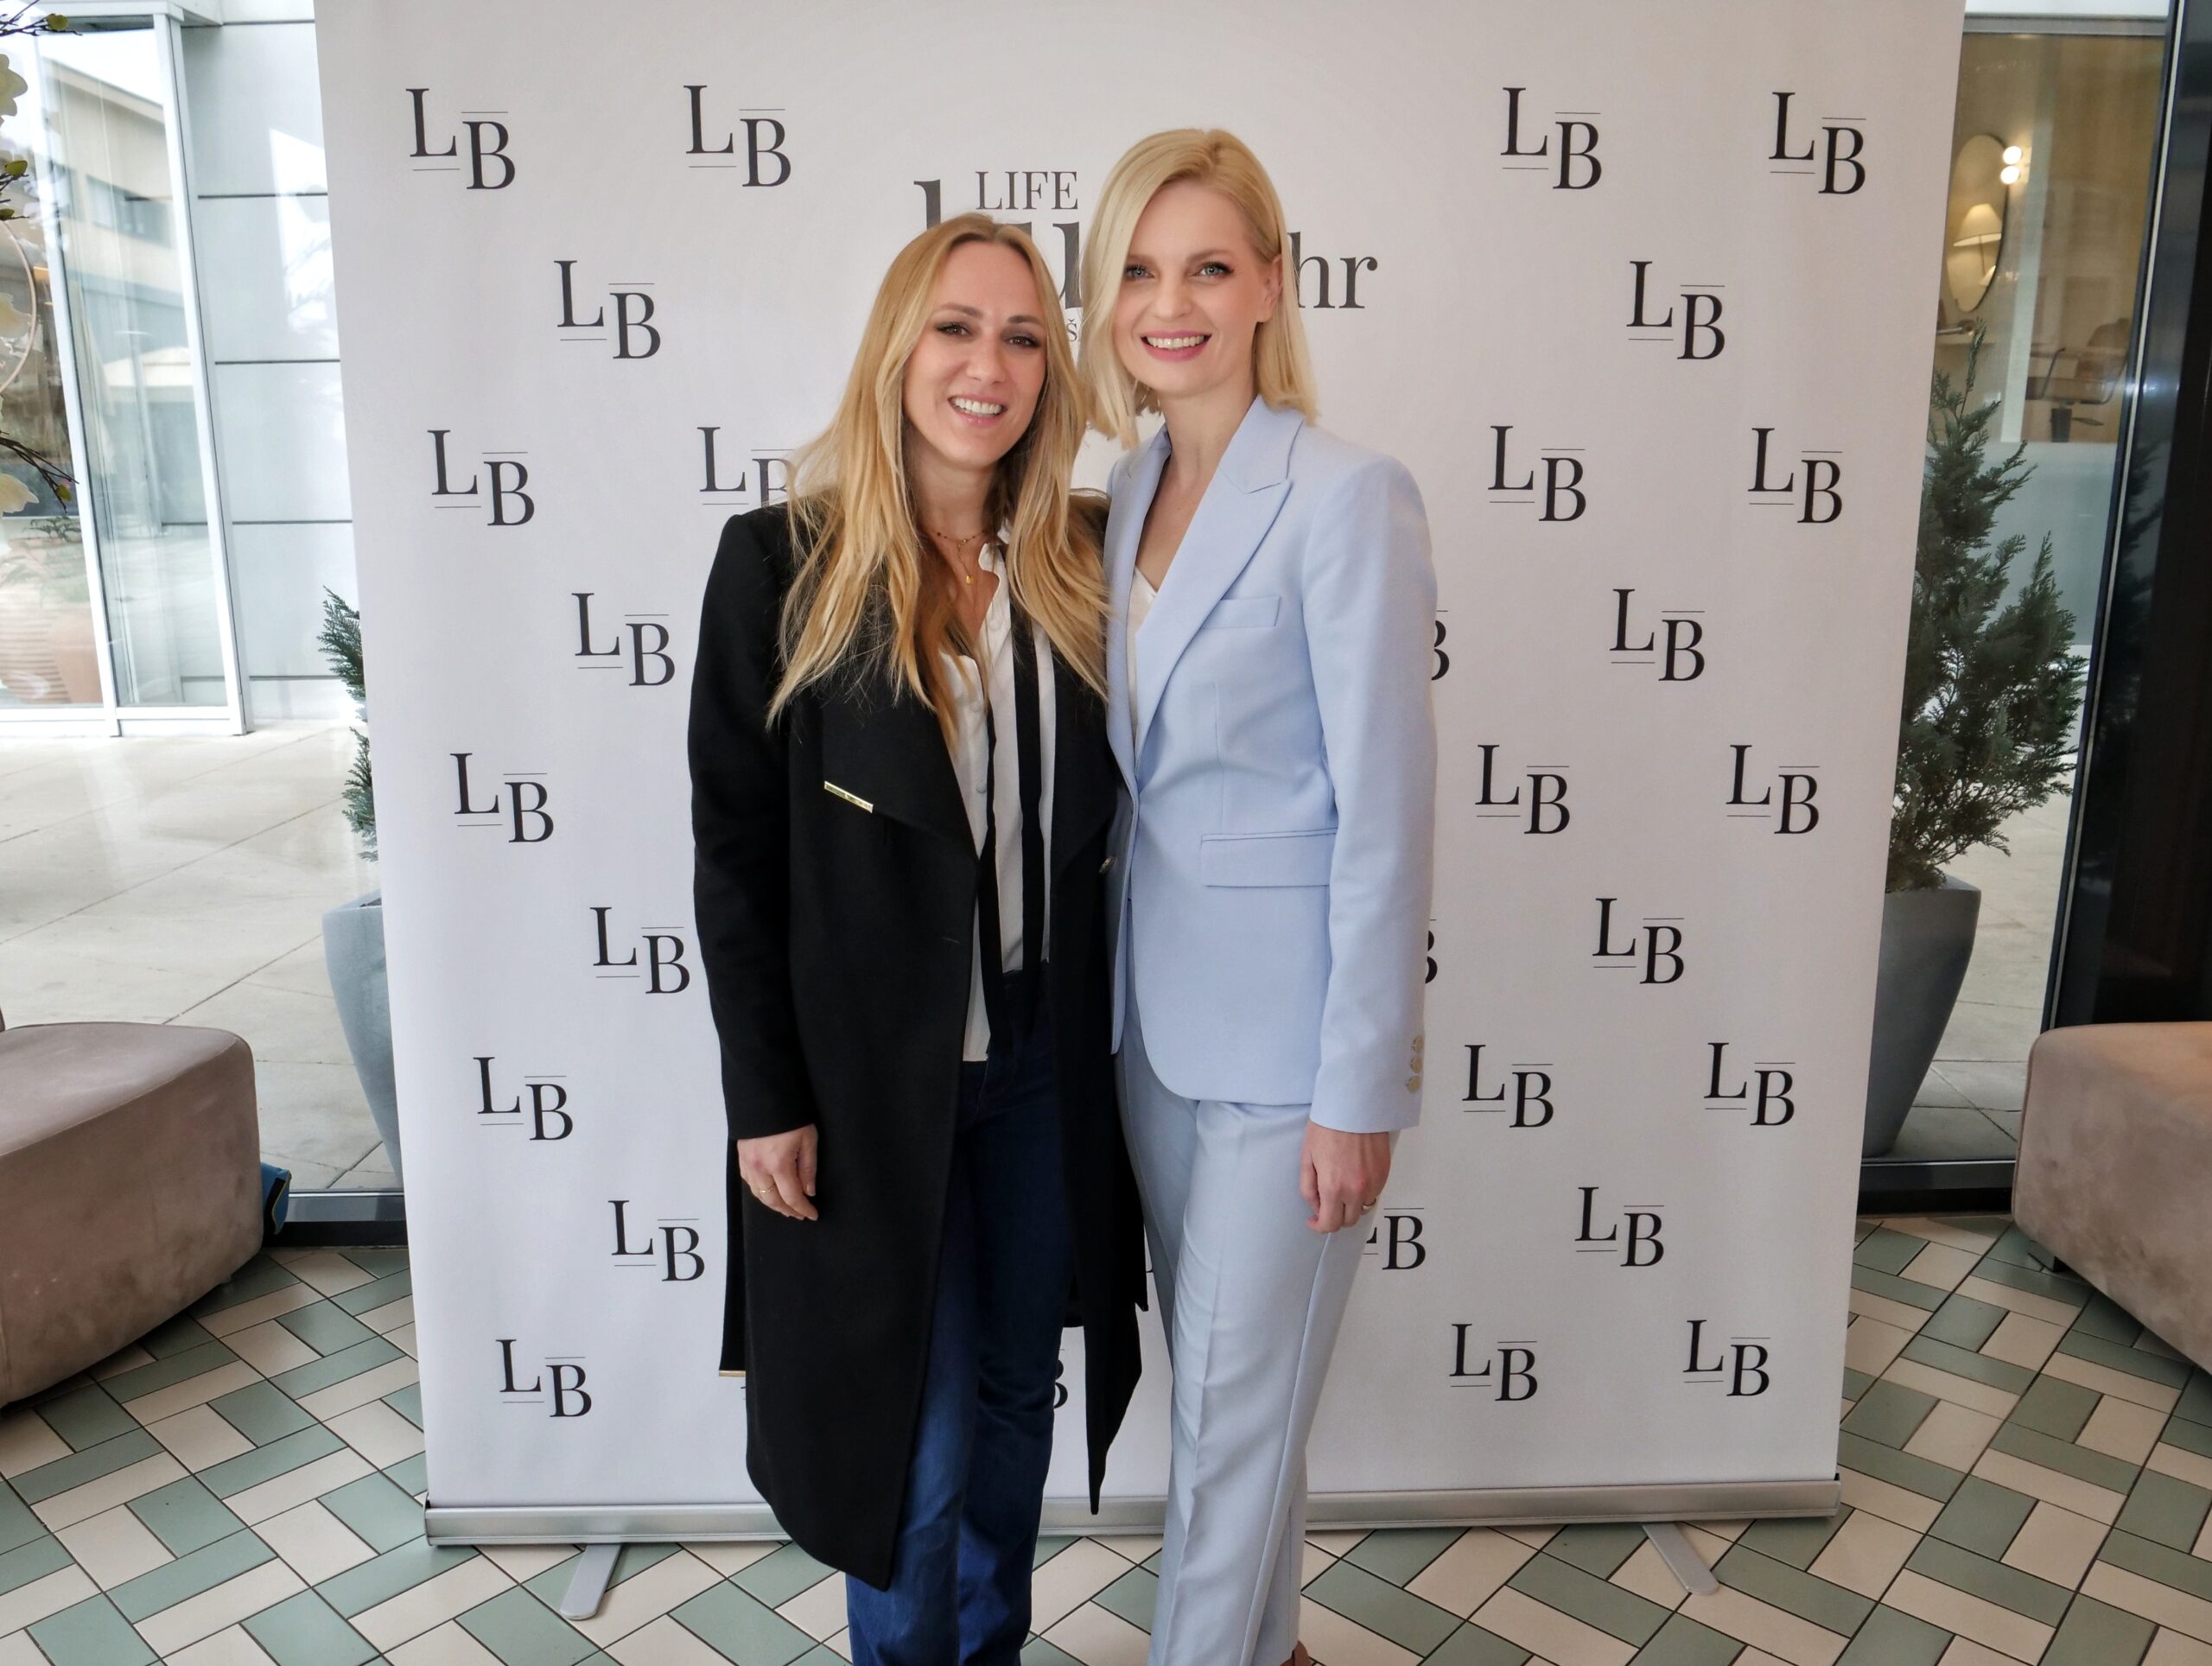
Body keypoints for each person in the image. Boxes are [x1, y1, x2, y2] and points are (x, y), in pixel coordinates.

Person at [687, 212, 1146, 1665]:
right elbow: (734, 852)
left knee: (1013, 1406)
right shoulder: (782, 565)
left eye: (1022, 337)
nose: (986, 366)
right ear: (898, 347)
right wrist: (765, 1096)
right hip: (872, 1089)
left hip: (1041, 1074)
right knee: (919, 1448)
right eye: (955, 327)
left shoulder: (1082, 562)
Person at [1079, 129, 1439, 1666]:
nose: (1172, 305)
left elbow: (1387, 817)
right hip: (1150, 1041)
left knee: (1228, 1431)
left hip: (1290, 1061)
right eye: (1139, 272)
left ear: (1273, 286)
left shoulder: (1348, 496)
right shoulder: (1125, 489)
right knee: (1239, 1399)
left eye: (1209, 268)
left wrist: (1360, 1090)